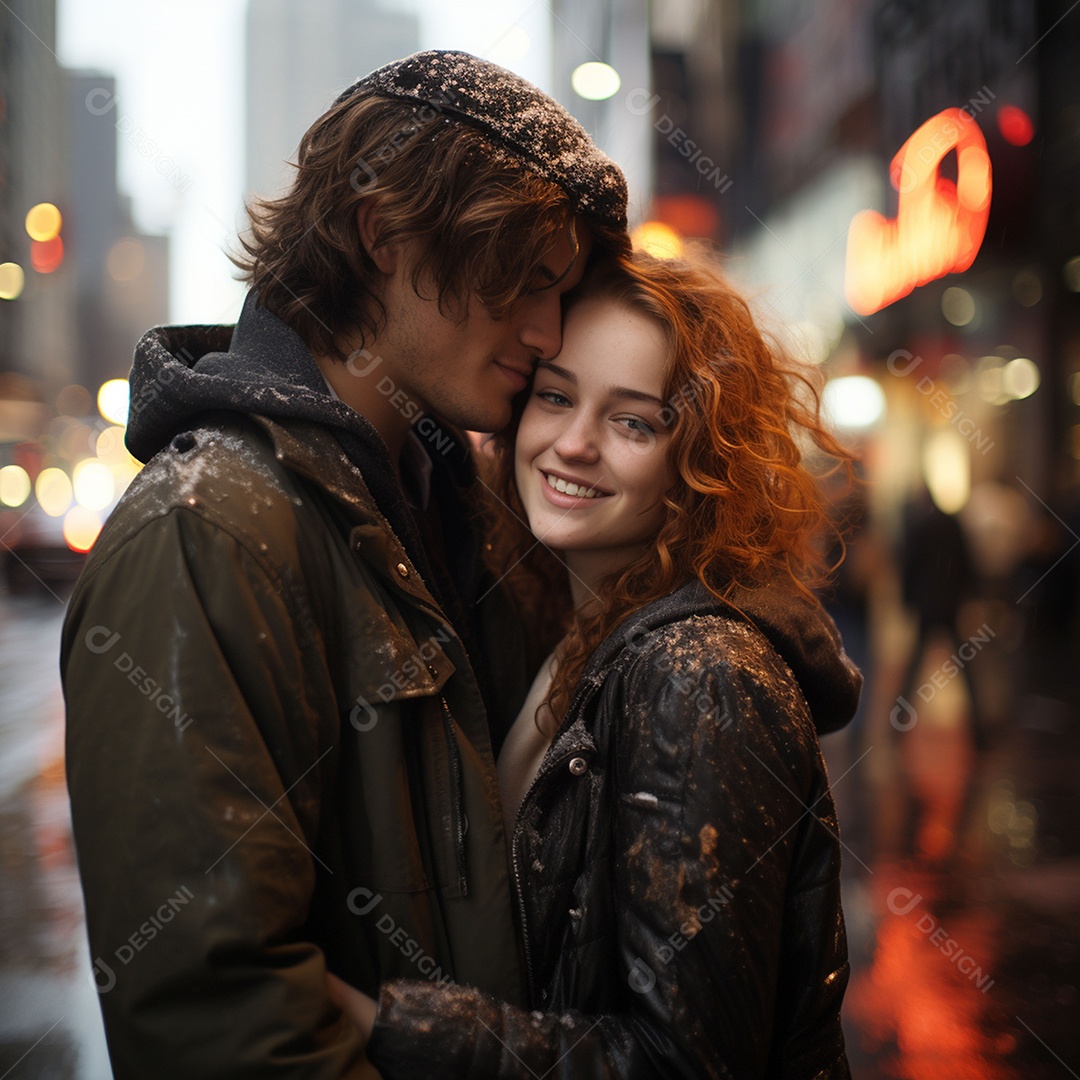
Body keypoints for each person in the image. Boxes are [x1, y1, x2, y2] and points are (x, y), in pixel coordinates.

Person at [59, 51, 628, 1078]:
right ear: (383, 233)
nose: (547, 332)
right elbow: (225, 1026)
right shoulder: (207, 532)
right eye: (522, 281)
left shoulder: (458, 506)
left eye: (562, 293)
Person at [329, 250, 863, 1078]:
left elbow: (686, 1065)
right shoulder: (581, 632)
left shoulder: (699, 674)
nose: (573, 444)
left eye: (633, 422)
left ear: (703, 463)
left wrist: (398, 1027)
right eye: (555, 397)